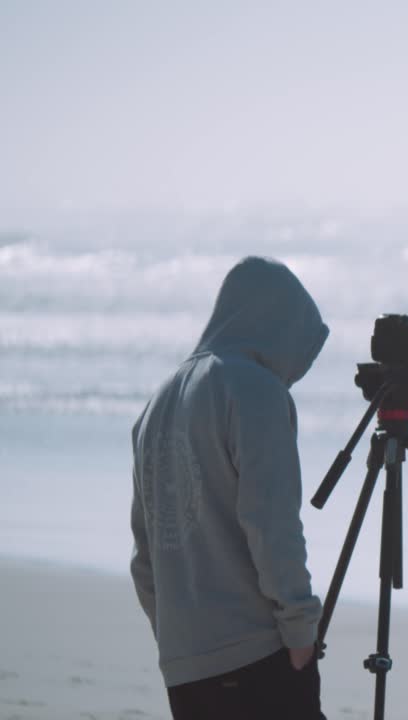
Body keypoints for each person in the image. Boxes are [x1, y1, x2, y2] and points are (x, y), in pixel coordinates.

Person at [130, 256, 330, 720]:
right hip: (255, 653)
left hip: (185, 664)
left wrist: (178, 642)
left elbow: (145, 557)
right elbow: (271, 524)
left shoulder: (156, 404)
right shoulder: (255, 391)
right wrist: (300, 630)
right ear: (276, 327)